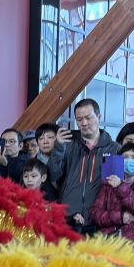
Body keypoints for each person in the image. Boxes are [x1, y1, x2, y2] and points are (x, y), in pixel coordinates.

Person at [48, 98, 119, 234]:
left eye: (88, 118)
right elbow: (53, 174)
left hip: (97, 222)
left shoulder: (113, 149)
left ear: (99, 117)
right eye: (79, 119)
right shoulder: (68, 145)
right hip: (68, 219)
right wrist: (58, 148)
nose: (84, 123)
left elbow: (112, 190)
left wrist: (88, 217)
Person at [90, 141, 134, 246]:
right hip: (109, 242)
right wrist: (120, 217)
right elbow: (95, 213)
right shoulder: (109, 182)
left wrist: (120, 186)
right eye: (125, 157)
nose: (129, 160)